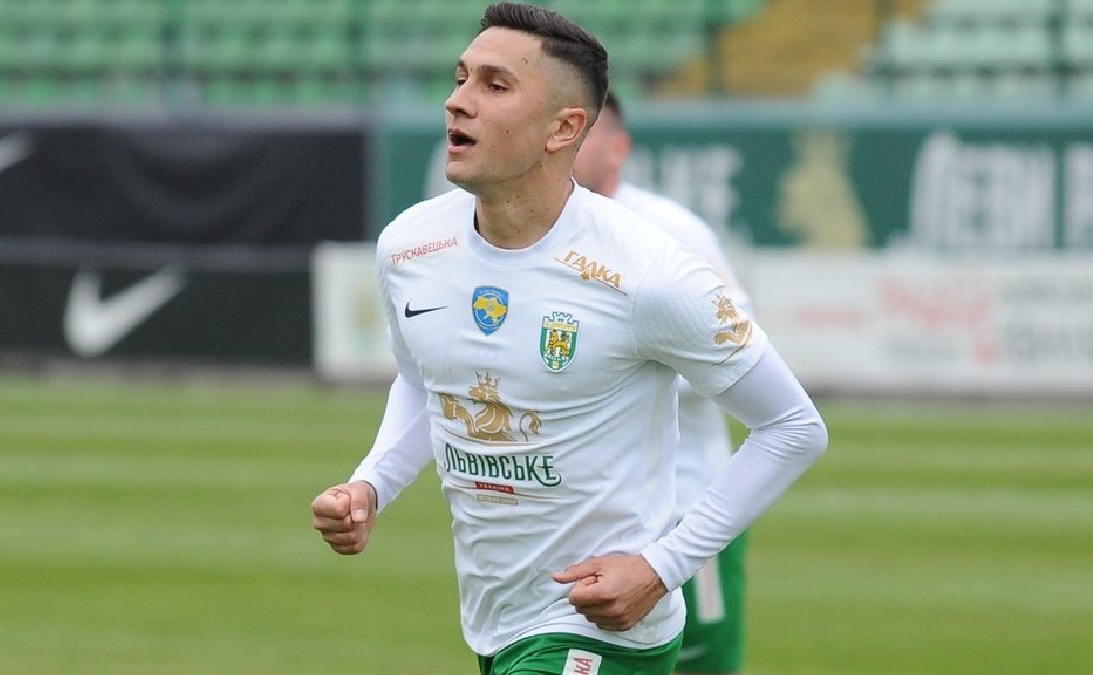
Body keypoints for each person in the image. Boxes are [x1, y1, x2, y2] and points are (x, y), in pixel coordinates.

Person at [311, 4, 828, 675]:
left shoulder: (649, 269)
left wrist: (661, 566)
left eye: (495, 85)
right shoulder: (410, 245)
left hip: (601, 630)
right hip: (498, 623)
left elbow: (793, 425)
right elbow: (423, 382)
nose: (457, 101)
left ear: (563, 128)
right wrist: (371, 483)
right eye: (461, 78)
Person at [573, 91, 753, 675]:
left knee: (698, 663)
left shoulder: (671, 232)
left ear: (618, 148)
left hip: (684, 509)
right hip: (583, 518)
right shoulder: (534, 235)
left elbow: (738, 347)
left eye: (585, 132)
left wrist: (621, 375)